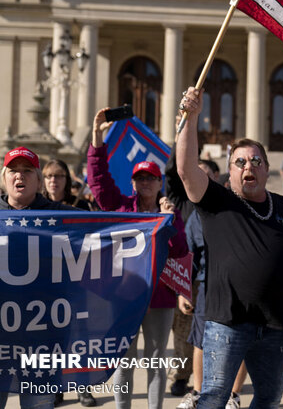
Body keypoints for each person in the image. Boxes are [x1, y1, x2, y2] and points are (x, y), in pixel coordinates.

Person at [176, 87, 283, 408]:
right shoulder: (218, 201)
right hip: (226, 324)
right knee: (213, 398)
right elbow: (187, 171)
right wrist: (191, 119)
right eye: (240, 161)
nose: (249, 166)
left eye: (256, 160)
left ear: (266, 168)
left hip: (274, 327)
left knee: (269, 399)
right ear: (230, 172)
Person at [88, 107, 189, 409]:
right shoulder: (119, 208)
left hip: (159, 298)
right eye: (140, 178)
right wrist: (96, 138)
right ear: (132, 182)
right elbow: (98, 180)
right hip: (123, 297)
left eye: (150, 178)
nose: (145, 183)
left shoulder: (170, 211)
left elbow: (182, 250)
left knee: (156, 360)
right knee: (124, 360)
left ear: (160, 183)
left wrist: (169, 221)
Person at [165, 143, 248, 409]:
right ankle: (198, 392)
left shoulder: (244, 209)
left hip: (242, 288)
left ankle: (233, 395)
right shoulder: (196, 215)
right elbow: (187, 254)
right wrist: (183, 290)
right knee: (200, 340)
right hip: (207, 287)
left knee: (241, 339)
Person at [0, 147, 80, 409]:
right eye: (13, 171)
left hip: (43, 340)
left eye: (26, 171)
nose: (19, 176)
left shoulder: (60, 216)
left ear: (37, 179)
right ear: (4, 177)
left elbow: (104, 235)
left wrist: (155, 223)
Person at [42, 159, 96, 407]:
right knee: (52, 341)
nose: (54, 181)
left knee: (80, 338)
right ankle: (56, 387)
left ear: (67, 179)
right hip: (46, 283)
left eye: (59, 176)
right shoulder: (37, 206)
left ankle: (82, 387)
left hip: (76, 281)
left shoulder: (81, 205)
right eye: (49, 176)